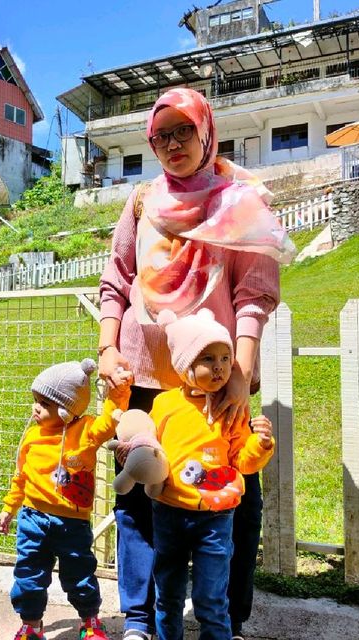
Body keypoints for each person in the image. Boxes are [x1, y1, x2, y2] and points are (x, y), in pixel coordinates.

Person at [98, 87, 294, 640]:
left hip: (212, 381)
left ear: (207, 130)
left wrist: (240, 370)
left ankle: (226, 622)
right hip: (141, 377)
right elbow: (116, 280)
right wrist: (108, 349)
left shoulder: (240, 199)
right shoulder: (141, 201)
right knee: (138, 499)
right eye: (161, 135)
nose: (172, 144)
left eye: (184, 130)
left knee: (235, 500)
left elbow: (254, 292)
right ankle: (140, 620)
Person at [151, 308, 275, 639]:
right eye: (208, 358)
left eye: (224, 357)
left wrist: (261, 444)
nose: (220, 367)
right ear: (184, 364)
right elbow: (148, 447)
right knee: (168, 596)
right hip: (169, 513)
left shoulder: (232, 407)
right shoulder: (164, 406)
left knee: (211, 599)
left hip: (216, 519)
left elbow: (242, 463)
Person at [0, 358, 133, 640]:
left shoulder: (85, 431)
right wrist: (10, 507)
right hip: (33, 518)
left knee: (80, 576)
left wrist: (118, 392)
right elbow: (20, 476)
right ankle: (31, 625)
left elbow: (110, 419)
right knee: (29, 575)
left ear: (66, 410)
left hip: (73, 523)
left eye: (45, 404)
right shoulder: (32, 437)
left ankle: (90, 622)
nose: (36, 408)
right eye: (36, 400)